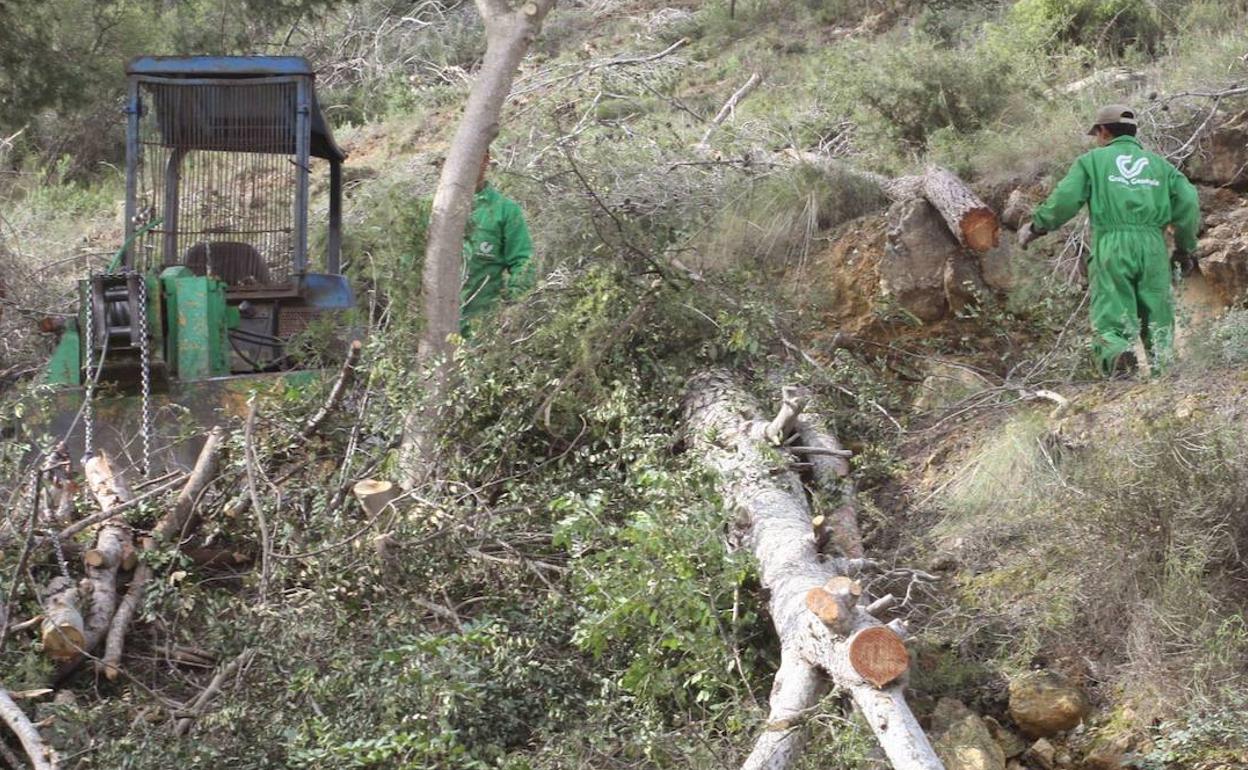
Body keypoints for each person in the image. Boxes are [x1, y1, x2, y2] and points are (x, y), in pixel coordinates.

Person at [1018, 104, 1200, 377]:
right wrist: (1185, 249)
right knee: (1158, 314)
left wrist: (1037, 226)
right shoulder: (1161, 167)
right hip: (1153, 246)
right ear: (1133, 132)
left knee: (1111, 313)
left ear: (1103, 131)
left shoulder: (1091, 162)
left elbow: (1065, 199)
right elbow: (1189, 201)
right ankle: (1164, 375)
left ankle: (1118, 360)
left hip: (1112, 243)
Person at [459, 149, 535, 336]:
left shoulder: (505, 211)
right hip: (436, 328)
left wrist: (511, 305)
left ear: (485, 160)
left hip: (482, 327)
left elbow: (523, 262)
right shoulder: (436, 208)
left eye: (474, 157)